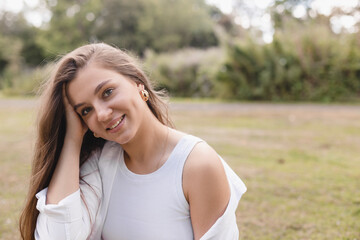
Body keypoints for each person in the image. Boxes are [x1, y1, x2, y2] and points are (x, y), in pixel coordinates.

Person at [19, 43, 246, 240]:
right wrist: (72, 139)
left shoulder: (196, 165)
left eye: (107, 92)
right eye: (86, 110)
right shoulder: (99, 164)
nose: (102, 114)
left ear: (138, 83)